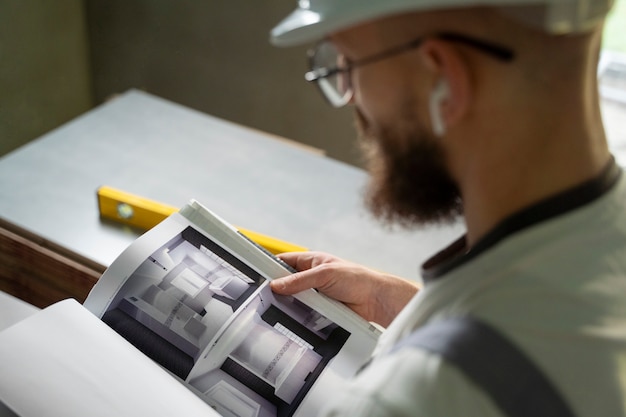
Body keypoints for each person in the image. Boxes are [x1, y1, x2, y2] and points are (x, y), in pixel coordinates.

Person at [267, 0, 626, 416]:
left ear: (443, 78)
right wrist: (407, 309)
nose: (351, 99)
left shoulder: (409, 401)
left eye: (349, 64)